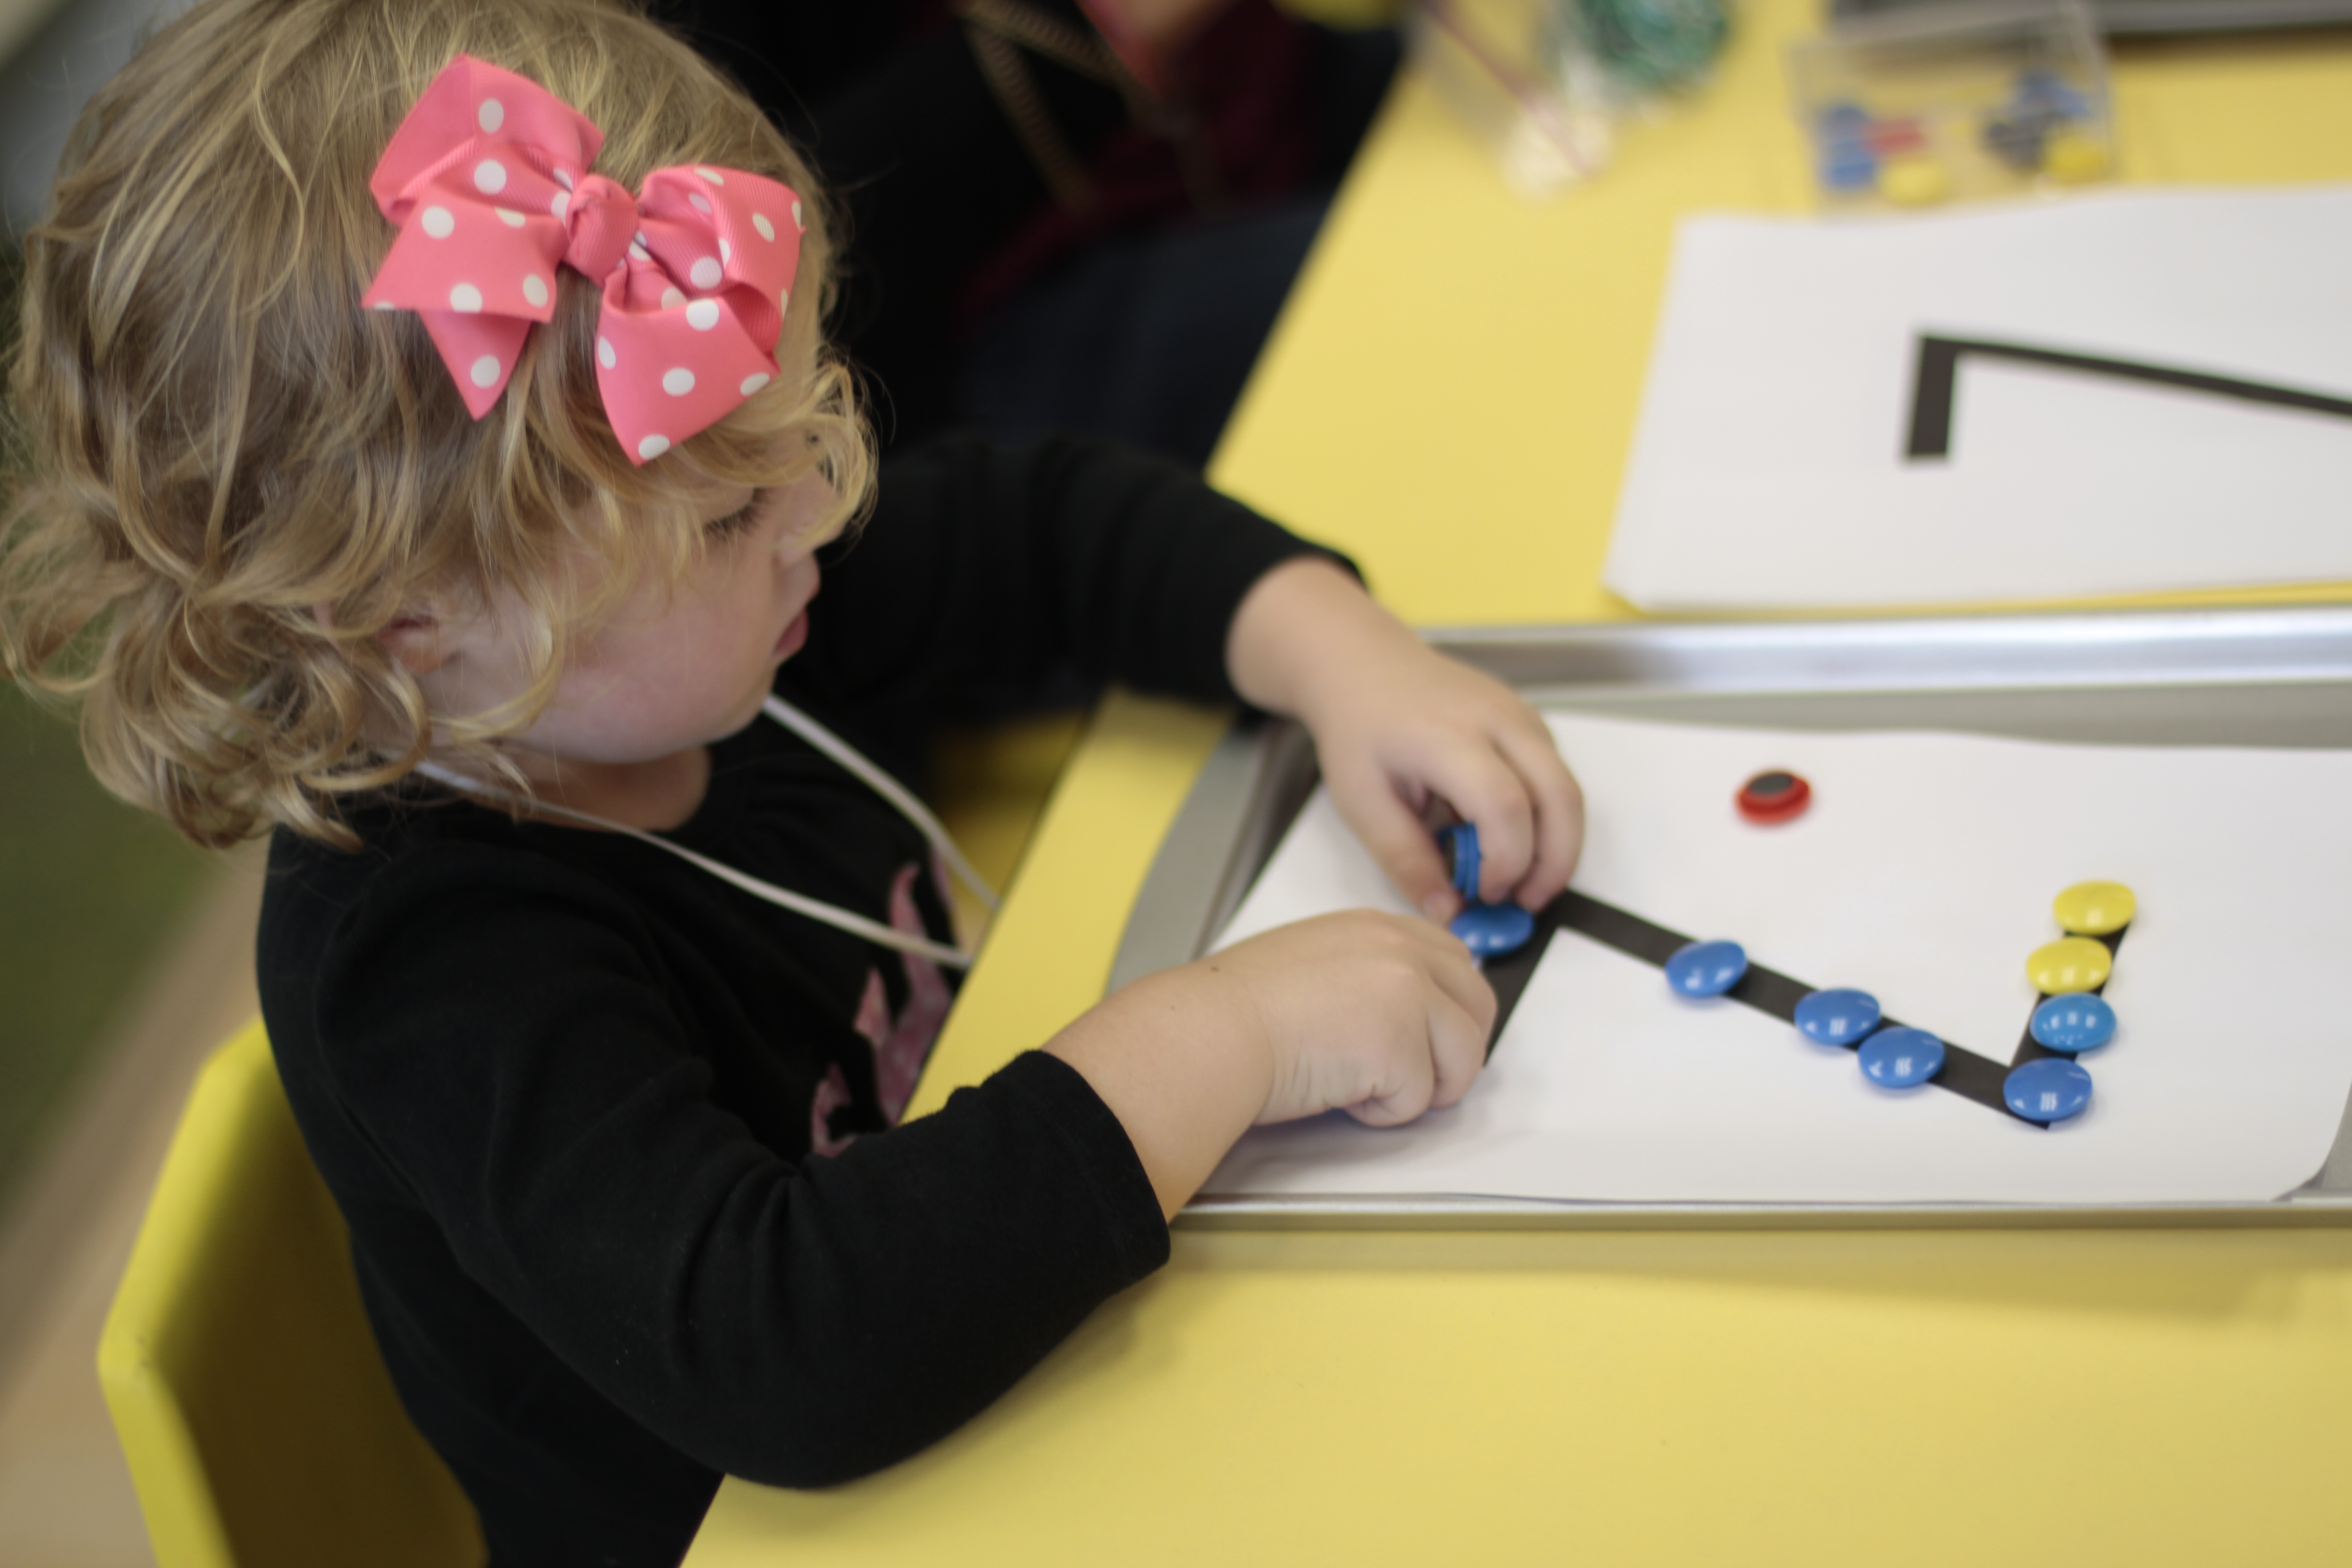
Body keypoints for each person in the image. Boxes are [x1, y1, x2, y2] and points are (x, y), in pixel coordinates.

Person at [0, 1, 1582, 1562]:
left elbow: (1047, 527)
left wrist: (1340, 657)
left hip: (1006, 1389)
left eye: (802, 420)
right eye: (725, 512)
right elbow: (786, 1342)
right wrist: (1227, 1034)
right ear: (411, 620)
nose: (816, 507)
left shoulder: (677, 641)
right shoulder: (424, 964)